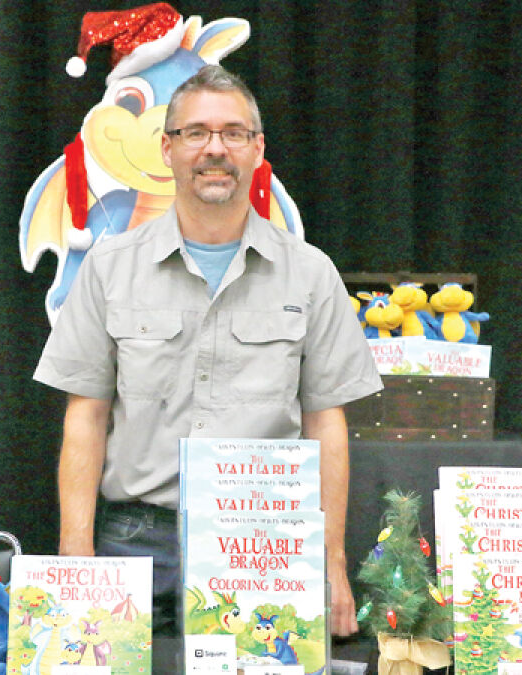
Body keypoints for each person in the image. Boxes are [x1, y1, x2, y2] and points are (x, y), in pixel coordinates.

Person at [33, 64, 382, 637]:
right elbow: (86, 415)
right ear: (167, 148)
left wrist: (332, 561)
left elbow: (327, 423)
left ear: (257, 148)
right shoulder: (108, 267)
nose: (214, 149)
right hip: (134, 543)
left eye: (233, 133)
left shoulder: (311, 273)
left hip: (266, 548)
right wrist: (76, 552)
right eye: (195, 132)